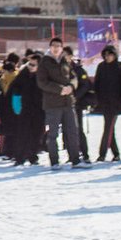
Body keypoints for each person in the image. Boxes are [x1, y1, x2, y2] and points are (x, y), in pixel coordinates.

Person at [36, 37, 85, 167]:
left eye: (58, 46)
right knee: (53, 134)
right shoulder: (45, 62)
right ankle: (54, 161)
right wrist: (59, 89)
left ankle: (75, 160)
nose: (56, 48)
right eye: (53, 46)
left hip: (68, 102)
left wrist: (71, 86)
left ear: (61, 48)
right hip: (52, 103)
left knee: (72, 131)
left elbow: (74, 77)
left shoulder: (65, 61)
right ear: (50, 48)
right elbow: (42, 82)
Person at [92, 46, 121, 161]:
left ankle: (102, 153)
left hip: (115, 103)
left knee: (108, 128)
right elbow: (97, 84)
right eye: (105, 55)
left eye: (110, 55)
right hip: (104, 102)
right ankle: (116, 153)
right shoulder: (101, 67)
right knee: (109, 127)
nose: (107, 57)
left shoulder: (120, 67)